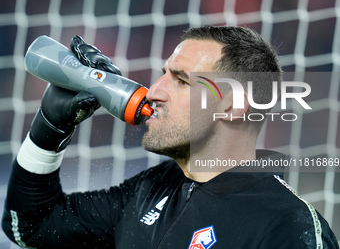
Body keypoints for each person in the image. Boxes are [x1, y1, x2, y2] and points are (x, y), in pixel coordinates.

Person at [2, 25, 339, 249]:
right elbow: (31, 227)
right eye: (164, 74)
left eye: (180, 80)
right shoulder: (150, 190)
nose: (154, 91)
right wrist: (50, 126)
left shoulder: (287, 224)